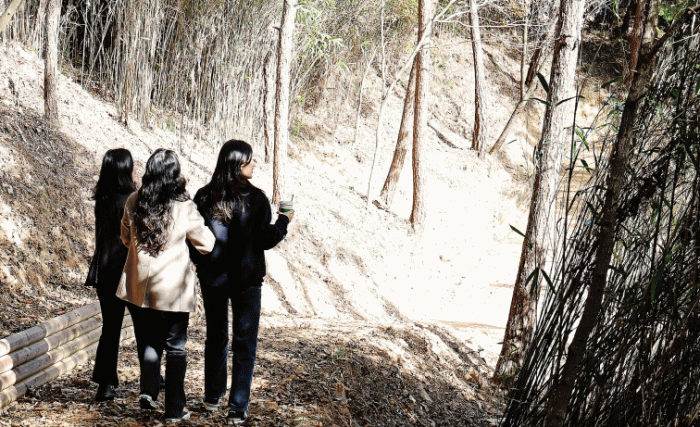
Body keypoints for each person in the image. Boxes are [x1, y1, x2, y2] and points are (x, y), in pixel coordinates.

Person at [191, 139, 293, 425]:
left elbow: (193, 238)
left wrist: (201, 264)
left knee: (216, 337)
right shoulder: (257, 199)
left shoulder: (203, 196)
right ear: (237, 163)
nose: (254, 164)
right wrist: (284, 221)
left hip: (213, 279)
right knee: (245, 342)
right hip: (247, 280)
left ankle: (212, 397)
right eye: (250, 160)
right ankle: (238, 406)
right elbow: (265, 240)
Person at [116, 148, 215, 423]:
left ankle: (148, 392)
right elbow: (207, 244)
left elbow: (125, 237)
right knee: (176, 347)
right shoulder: (184, 206)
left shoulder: (134, 201)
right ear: (175, 176)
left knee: (150, 340)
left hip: (142, 285)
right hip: (173, 289)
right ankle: (174, 409)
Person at [86, 148, 140, 402]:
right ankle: (152, 378)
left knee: (110, 329)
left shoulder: (103, 198)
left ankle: (104, 385)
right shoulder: (131, 199)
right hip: (127, 271)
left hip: (105, 271)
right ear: (125, 170)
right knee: (144, 326)